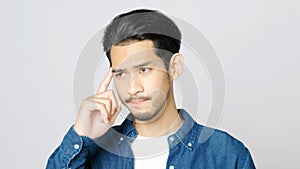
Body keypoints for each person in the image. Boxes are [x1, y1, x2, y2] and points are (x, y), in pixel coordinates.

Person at [46, 9, 256, 169]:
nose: (132, 88)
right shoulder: (95, 152)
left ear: (174, 67)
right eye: (121, 74)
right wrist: (81, 133)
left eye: (144, 69)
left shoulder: (226, 154)